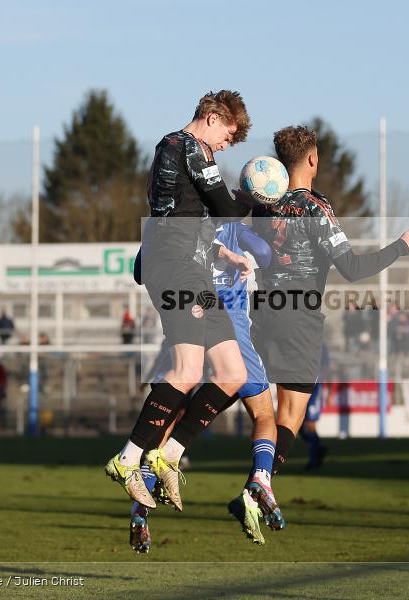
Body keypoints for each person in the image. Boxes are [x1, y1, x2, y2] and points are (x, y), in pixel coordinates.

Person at [251, 125, 409, 491]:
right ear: (313, 159)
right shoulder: (316, 208)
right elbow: (352, 269)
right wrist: (400, 247)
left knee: (245, 396)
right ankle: (259, 484)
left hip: (263, 311)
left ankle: (173, 445)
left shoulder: (263, 204)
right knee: (290, 413)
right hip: (299, 317)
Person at [104, 90, 253, 510]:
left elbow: (195, 216)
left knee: (231, 373)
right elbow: (223, 209)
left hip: (194, 267)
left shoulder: (193, 154)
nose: (227, 143)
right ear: (210, 117)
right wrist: (257, 196)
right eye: (229, 133)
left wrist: (225, 253)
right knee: (187, 371)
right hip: (174, 266)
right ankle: (127, 458)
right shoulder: (183, 145)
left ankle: (167, 455)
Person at [129, 219, 280, 551]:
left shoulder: (176, 228)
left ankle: (140, 510)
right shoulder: (234, 227)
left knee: (168, 416)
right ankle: (261, 481)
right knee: (264, 415)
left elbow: (139, 270)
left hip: (189, 322)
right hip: (230, 330)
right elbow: (266, 255)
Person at [301, 344, 330, 470]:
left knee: (310, 424)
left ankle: (313, 461)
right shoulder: (299, 341)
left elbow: (326, 368)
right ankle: (318, 449)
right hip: (300, 386)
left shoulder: (321, 346)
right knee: (300, 425)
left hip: (315, 388)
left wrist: (328, 389)